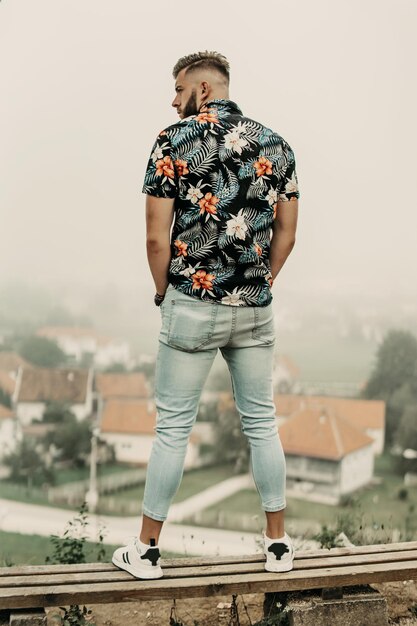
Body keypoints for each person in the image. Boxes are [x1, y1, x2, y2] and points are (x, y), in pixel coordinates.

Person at [112, 50, 300, 579]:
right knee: (262, 423)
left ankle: (147, 553)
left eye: (178, 89)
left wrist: (162, 291)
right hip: (254, 308)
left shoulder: (172, 142)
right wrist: (261, 282)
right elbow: (286, 234)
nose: (173, 101)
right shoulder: (277, 145)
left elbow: (155, 237)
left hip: (191, 304)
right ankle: (279, 547)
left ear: (204, 87)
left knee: (173, 429)